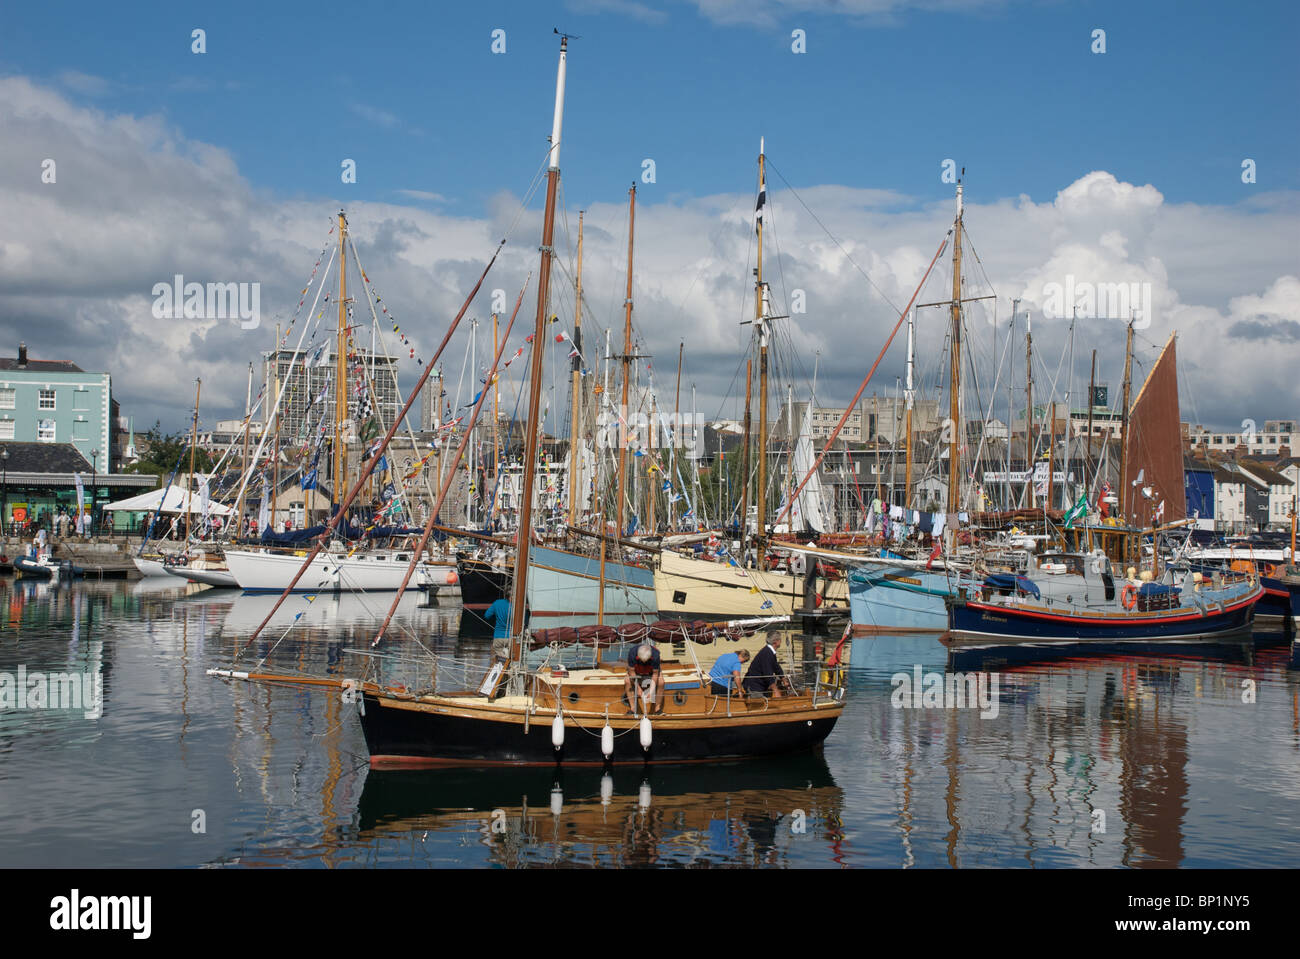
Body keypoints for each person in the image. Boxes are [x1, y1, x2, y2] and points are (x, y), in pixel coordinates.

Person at [743, 631, 792, 698]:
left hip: (761, 686)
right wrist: (776, 690)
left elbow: (776, 667)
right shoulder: (767, 653)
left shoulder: (770, 652)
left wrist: (783, 679)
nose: (781, 641)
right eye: (780, 639)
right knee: (761, 704)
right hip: (754, 687)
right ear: (776, 641)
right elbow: (767, 673)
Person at [625, 642, 664, 715]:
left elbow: (655, 674)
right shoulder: (632, 653)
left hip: (651, 672)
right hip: (636, 672)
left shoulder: (656, 655)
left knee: (661, 682)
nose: (644, 662)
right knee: (627, 681)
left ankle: (657, 709)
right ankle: (633, 709)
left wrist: (651, 690)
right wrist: (638, 688)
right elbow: (631, 672)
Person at [483, 596, 512, 661]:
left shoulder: (497, 603)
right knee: (512, 659)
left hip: (498, 637)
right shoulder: (516, 604)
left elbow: (486, 615)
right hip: (512, 638)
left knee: (500, 660)